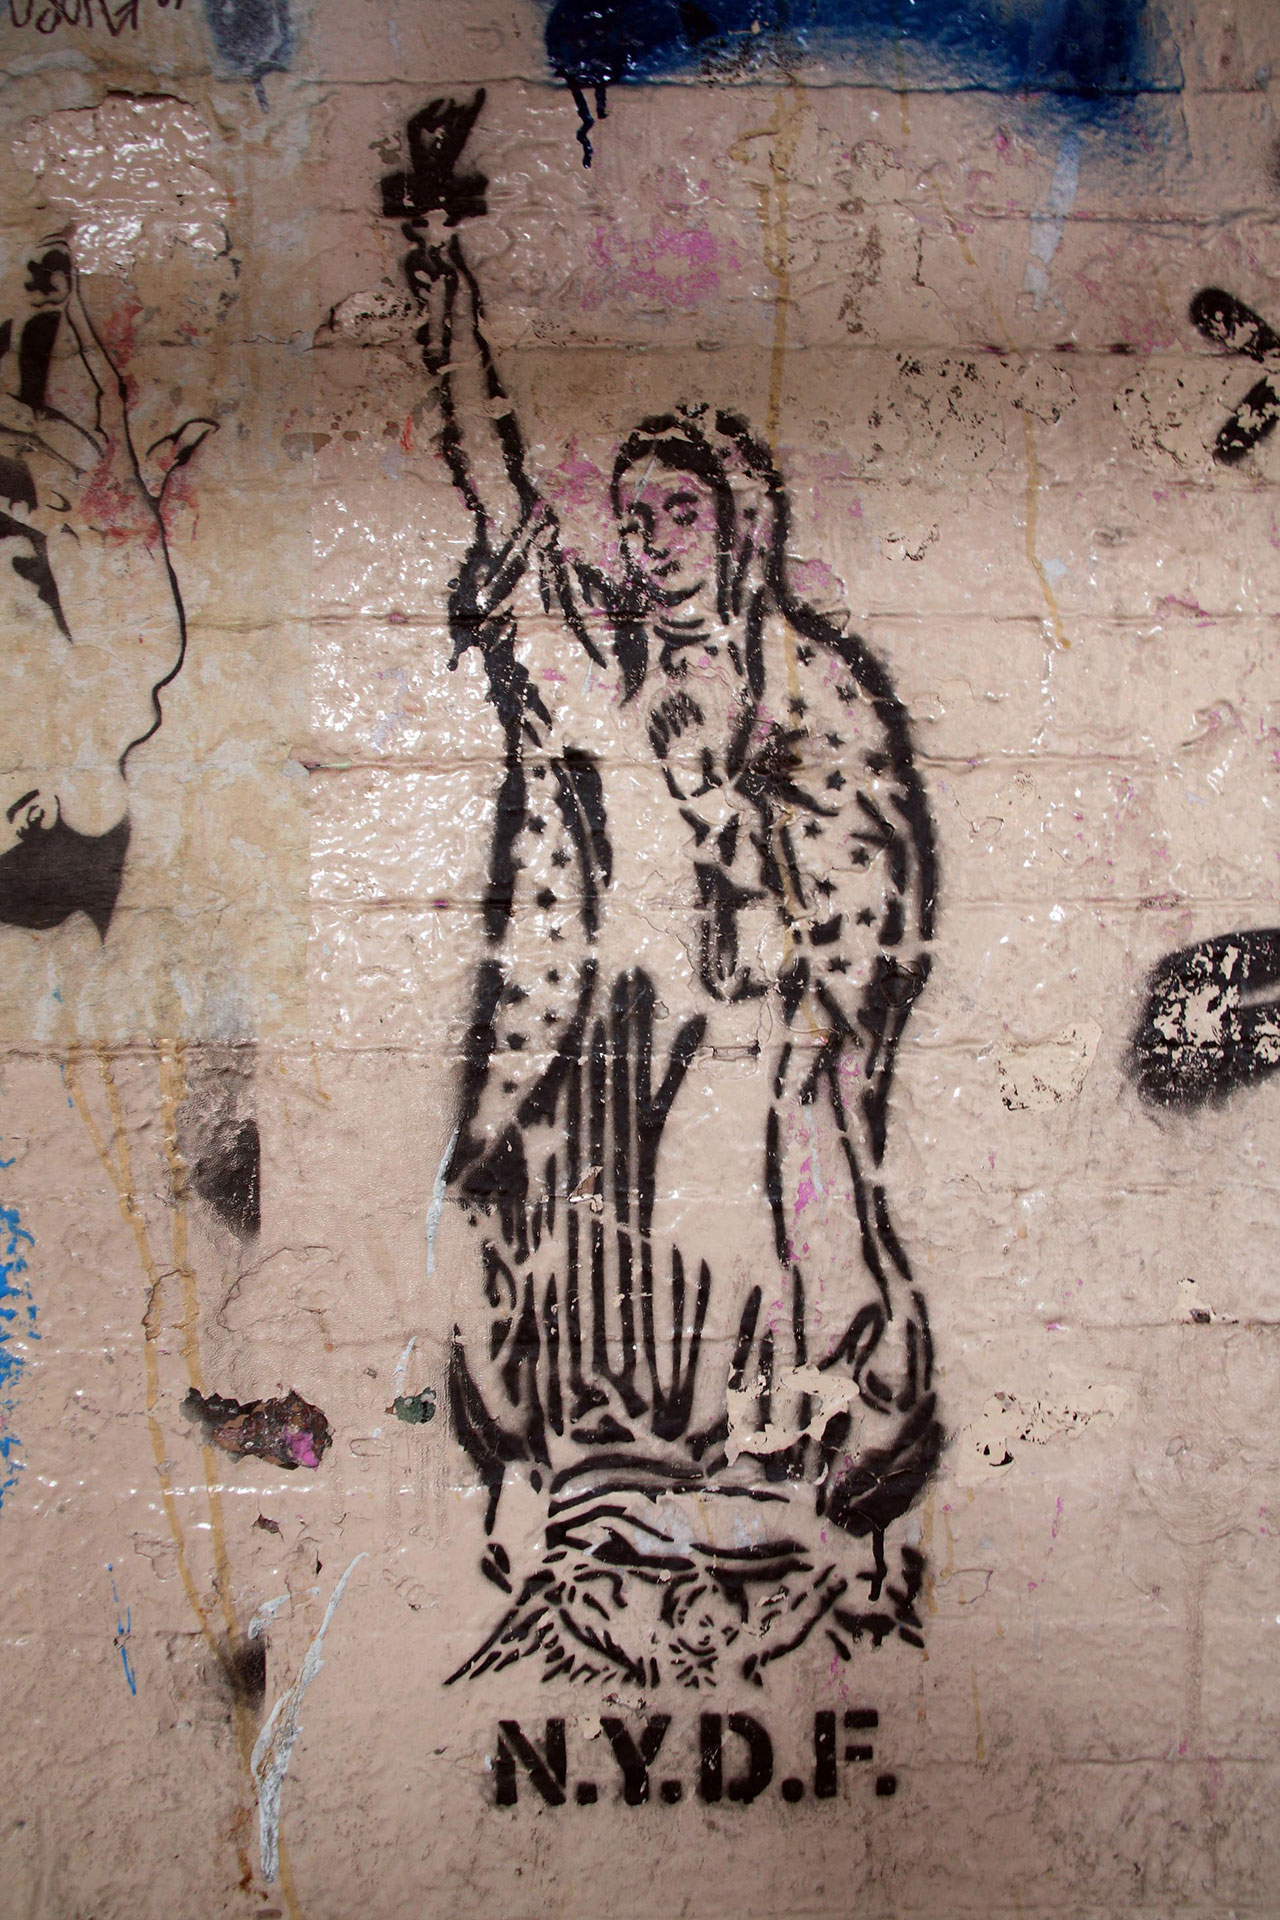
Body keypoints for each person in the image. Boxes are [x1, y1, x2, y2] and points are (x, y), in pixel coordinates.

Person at [388, 98, 941, 1686]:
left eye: (679, 513)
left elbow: (869, 886)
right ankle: (600, 1502)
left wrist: (739, 836)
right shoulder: (605, 656)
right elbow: (501, 496)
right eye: (632, 519)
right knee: (578, 1272)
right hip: (614, 1045)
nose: (649, 543)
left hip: (755, 1056)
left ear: (739, 523)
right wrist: (442, 276)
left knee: (759, 1271)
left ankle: (770, 1503)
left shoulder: (813, 688)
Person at [0, 237, 213, 937]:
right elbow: (104, 453)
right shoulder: (119, 671)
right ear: (33, 813)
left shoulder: (125, 679)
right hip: (50, 460)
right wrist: (70, 312)